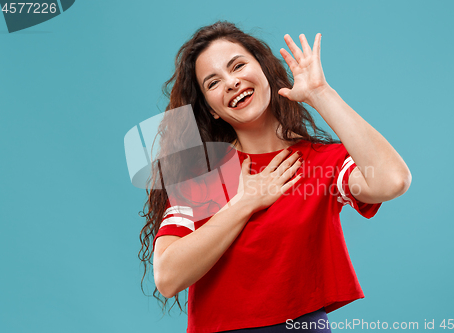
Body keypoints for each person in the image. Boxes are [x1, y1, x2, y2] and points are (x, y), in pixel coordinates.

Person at [138, 21, 411, 333]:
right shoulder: (204, 175)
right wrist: (245, 203)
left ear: (264, 69)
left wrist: (321, 94)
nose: (231, 82)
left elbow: (392, 181)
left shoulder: (322, 162)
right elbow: (168, 277)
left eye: (238, 65)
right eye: (213, 83)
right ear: (211, 109)